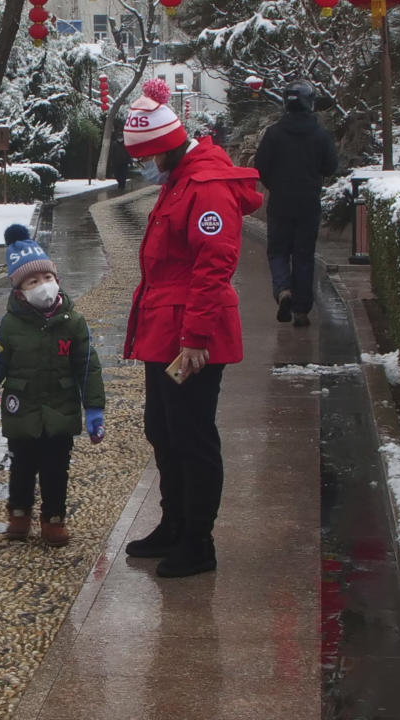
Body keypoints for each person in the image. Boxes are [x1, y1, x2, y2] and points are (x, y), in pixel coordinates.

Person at [121, 78, 263, 577]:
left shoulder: (205, 187)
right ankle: (174, 523)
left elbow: (213, 263)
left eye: (145, 155)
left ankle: (198, 541)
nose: (143, 164)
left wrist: (196, 338)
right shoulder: (179, 180)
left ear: (162, 149)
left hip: (192, 336)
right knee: (162, 428)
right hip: (165, 330)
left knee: (192, 435)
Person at [0, 224, 106, 547]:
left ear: (57, 280)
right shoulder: (9, 325)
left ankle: (54, 519)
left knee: (56, 469)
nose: (42, 286)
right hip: (22, 410)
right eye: (33, 281)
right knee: (22, 466)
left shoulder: (73, 322)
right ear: (20, 290)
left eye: (47, 278)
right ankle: (19, 514)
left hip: (60, 409)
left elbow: (88, 366)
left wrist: (95, 409)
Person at [254, 79, 338, 327]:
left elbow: (260, 167)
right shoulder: (320, 134)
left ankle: (283, 290)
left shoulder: (274, 133)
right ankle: (302, 310)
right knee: (304, 255)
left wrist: (275, 184)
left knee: (278, 250)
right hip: (308, 203)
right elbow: (331, 166)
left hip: (280, 202)